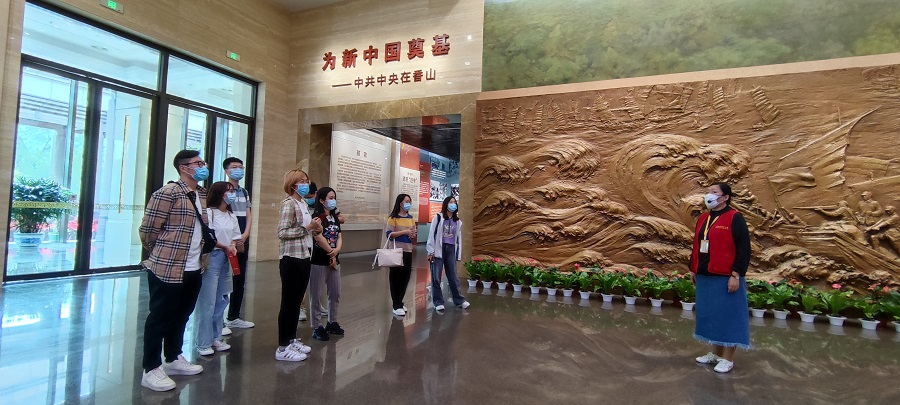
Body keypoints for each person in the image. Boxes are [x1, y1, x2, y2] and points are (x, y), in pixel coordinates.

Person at [138, 149, 208, 391]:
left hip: (194, 266)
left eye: (203, 162)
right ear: (183, 168)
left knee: (182, 314)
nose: (203, 166)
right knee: (160, 317)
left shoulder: (201, 194)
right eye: (198, 163)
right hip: (168, 267)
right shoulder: (168, 193)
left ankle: (173, 356)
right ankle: (150, 368)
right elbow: (148, 230)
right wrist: (161, 253)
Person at [689, 182, 751, 374]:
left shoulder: (734, 217)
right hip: (705, 275)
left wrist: (736, 274)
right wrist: (693, 268)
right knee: (711, 316)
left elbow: (744, 248)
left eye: (714, 192)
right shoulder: (704, 218)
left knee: (728, 317)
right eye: (708, 191)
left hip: (725, 276)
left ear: (725, 197)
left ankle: (728, 358)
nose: (709, 195)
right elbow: (697, 244)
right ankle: (715, 353)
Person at [275, 169, 321, 361]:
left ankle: (291, 339)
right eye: (302, 181)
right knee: (289, 302)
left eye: (307, 181)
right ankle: (282, 347)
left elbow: (305, 229)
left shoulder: (302, 203)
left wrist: (314, 227)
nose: (306, 184)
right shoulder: (289, 204)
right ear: (293, 184)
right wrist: (308, 228)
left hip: (304, 255)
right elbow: (282, 232)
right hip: (291, 257)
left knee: (296, 302)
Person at [194, 181, 241, 356]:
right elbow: (208, 237)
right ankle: (203, 342)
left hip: (227, 258)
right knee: (208, 301)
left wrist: (233, 245)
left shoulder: (231, 215)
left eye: (232, 191)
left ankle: (215, 336)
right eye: (228, 191)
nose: (231, 194)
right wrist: (225, 246)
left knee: (222, 299)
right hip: (213, 257)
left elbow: (235, 236)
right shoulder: (209, 213)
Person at [223, 157, 255, 330]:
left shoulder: (244, 192)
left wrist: (245, 234)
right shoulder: (223, 190)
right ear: (227, 170)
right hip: (228, 238)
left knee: (239, 276)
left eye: (241, 167)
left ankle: (234, 316)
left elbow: (248, 215)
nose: (239, 170)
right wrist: (234, 238)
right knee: (223, 278)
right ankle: (218, 322)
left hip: (242, 236)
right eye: (234, 167)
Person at [309, 186, 345, 341]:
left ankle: (332, 322)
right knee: (316, 294)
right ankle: (317, 326)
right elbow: (318, 237)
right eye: (330, 198)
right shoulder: (317, 217)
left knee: (335, 292)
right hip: (319, 259)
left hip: (334, 260)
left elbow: (339, 235)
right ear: (322, 200)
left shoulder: (334, 217)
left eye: (334, 198)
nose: (333, 201)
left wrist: (336, 251)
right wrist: (331, 252)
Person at [426, 196, 469, 311]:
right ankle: (438, 302)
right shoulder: (438, 218)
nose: (453, 204)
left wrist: (458, 253)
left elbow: (458, 239)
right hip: (438, 249)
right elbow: (432, 234)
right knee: (436, 277)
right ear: (446, 204)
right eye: (451, 202)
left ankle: (459, 300)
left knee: (453, 276)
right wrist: (430, 251)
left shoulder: (457, 221)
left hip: (451, 249)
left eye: (455, 202)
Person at [386, 194, 416, 316]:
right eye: (406, 201)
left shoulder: (411, 218)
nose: (408, 203)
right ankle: (396, 304)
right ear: (400, 203)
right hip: (396, 251)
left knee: (405, 277)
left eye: (410, 201)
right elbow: (389, 234)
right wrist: (405, 232)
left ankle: (400, 301)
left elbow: (412, 233)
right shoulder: (393, 218)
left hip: (408, 251)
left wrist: (412, 234)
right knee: (395, 278)